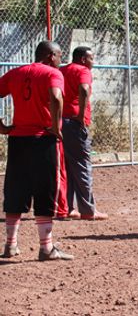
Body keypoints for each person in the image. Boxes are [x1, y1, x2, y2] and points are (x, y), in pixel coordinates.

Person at [0, 41, 75, 261]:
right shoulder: (52, 74)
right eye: (60, 55)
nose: (61, 60)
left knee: (15, 190)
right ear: (51, 56)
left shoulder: (16, 73)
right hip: (43, 140)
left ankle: (10, 245)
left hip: (17, 140)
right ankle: (46, 248)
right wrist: (55, 125)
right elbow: (56, 97)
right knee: (45, 190)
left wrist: (2, 127)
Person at [61, 47, 108, 221]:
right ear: (82, 59)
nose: (92, 62)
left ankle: (67, 208)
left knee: (67, 166)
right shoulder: (83, 71)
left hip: (60, 122)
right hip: (74, 123)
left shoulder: (62, 70)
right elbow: (84, 89)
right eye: (91, 58)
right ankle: (88, 210)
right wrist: (81, 115)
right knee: (82, 165)